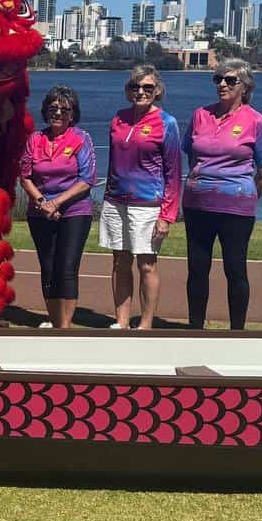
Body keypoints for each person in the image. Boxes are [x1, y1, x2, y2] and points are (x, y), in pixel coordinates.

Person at [182, 58, 262, 330]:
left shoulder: (255, 121)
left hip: (236, 209)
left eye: (230, 80)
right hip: (197, 205)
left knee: (235, 269)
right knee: (197, 269)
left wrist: (247, 196)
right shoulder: (200, 115)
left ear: (245, 87)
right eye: (218, 79)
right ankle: (195, 329)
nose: (222, 84)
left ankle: (237, 332)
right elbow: (191, 154)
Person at [100, 65, 181, 330]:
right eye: (135, 87)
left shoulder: (167, 123)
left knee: (147, 265)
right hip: (116, 201)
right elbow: (113, 162)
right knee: (120, 262)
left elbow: (173, 173)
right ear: (128, 91)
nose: (141, 92)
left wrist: (167, 215)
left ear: (157, 91)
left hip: (147, 205)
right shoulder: (118, 119)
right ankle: (121, 321)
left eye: (148, 87)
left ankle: (145, 324)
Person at [19, 85, 96, 329]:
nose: (58, 113)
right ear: (46, 111)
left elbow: (87, 179)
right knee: (48, 266)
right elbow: (25, 176)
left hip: (74, 211)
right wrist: (42, 202)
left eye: (65, 109)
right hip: (40, 212)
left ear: (73, 114)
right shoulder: (35, 139)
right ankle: (54, 322)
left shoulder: (81, 139)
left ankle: (65, 326)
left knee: (67, 267)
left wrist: (57, 202)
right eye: (53, 108)